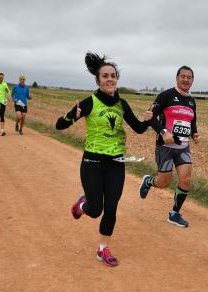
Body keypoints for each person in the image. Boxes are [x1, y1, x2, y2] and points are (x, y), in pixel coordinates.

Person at [55, 52, 150, 267]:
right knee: (95, 209)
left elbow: (138, 128)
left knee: (112, 208)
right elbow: (59, 126)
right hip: (92, 163)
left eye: (113, 75)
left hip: (117, 163)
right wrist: (73, 115)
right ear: (97, 80)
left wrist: (148, 121)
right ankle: (82, 205)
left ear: (117, 79)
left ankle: (103, 248)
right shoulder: (89, 102)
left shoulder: (122, 104)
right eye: (105, 76)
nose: (109, 79)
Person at [138, 66, 199, 228]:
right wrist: (164, 131)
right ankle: (148, 182)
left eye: (189, 77)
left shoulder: (192, 101)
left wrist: (195, 133)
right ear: (177, 78)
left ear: (193, 80)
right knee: (164, 182)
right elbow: (150, 117)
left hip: (183, 147)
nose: (186, 80)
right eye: (183, 76)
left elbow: (192, 121)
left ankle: (174, 213)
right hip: (165, 146)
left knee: (185, 179)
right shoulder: (166, 95)